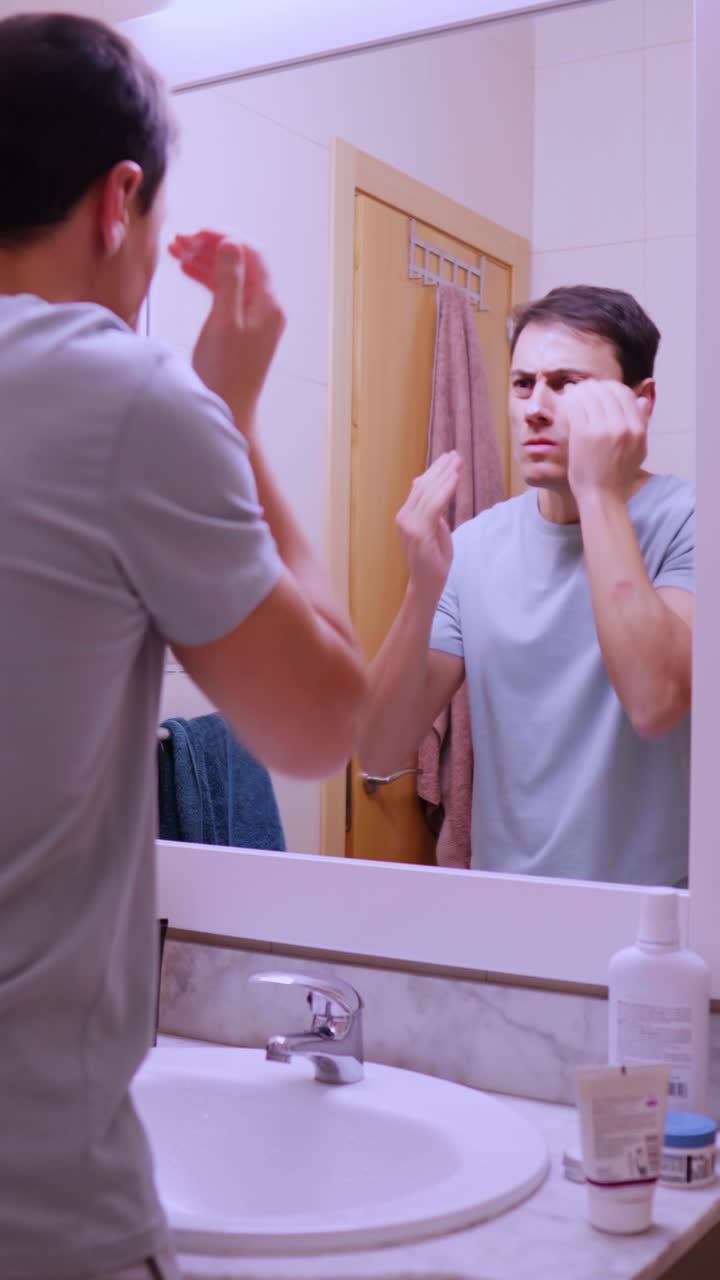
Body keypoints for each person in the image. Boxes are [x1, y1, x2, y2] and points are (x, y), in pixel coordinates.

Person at [0, 13, 367, 1280]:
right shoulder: (117, 387)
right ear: (120, 201)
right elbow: (328, 724)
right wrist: (231, 409)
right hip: (36, 1203)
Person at [360, 285, 694, 887]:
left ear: (640, 402)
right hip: (507, 907)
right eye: (523, 384)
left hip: (653, 920)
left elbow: (654, 702)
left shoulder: (692, 521)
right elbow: (380, 749)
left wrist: (597, 489)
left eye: (566, 384)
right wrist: (422, 587)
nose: (536, 407)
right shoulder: (476, 544)